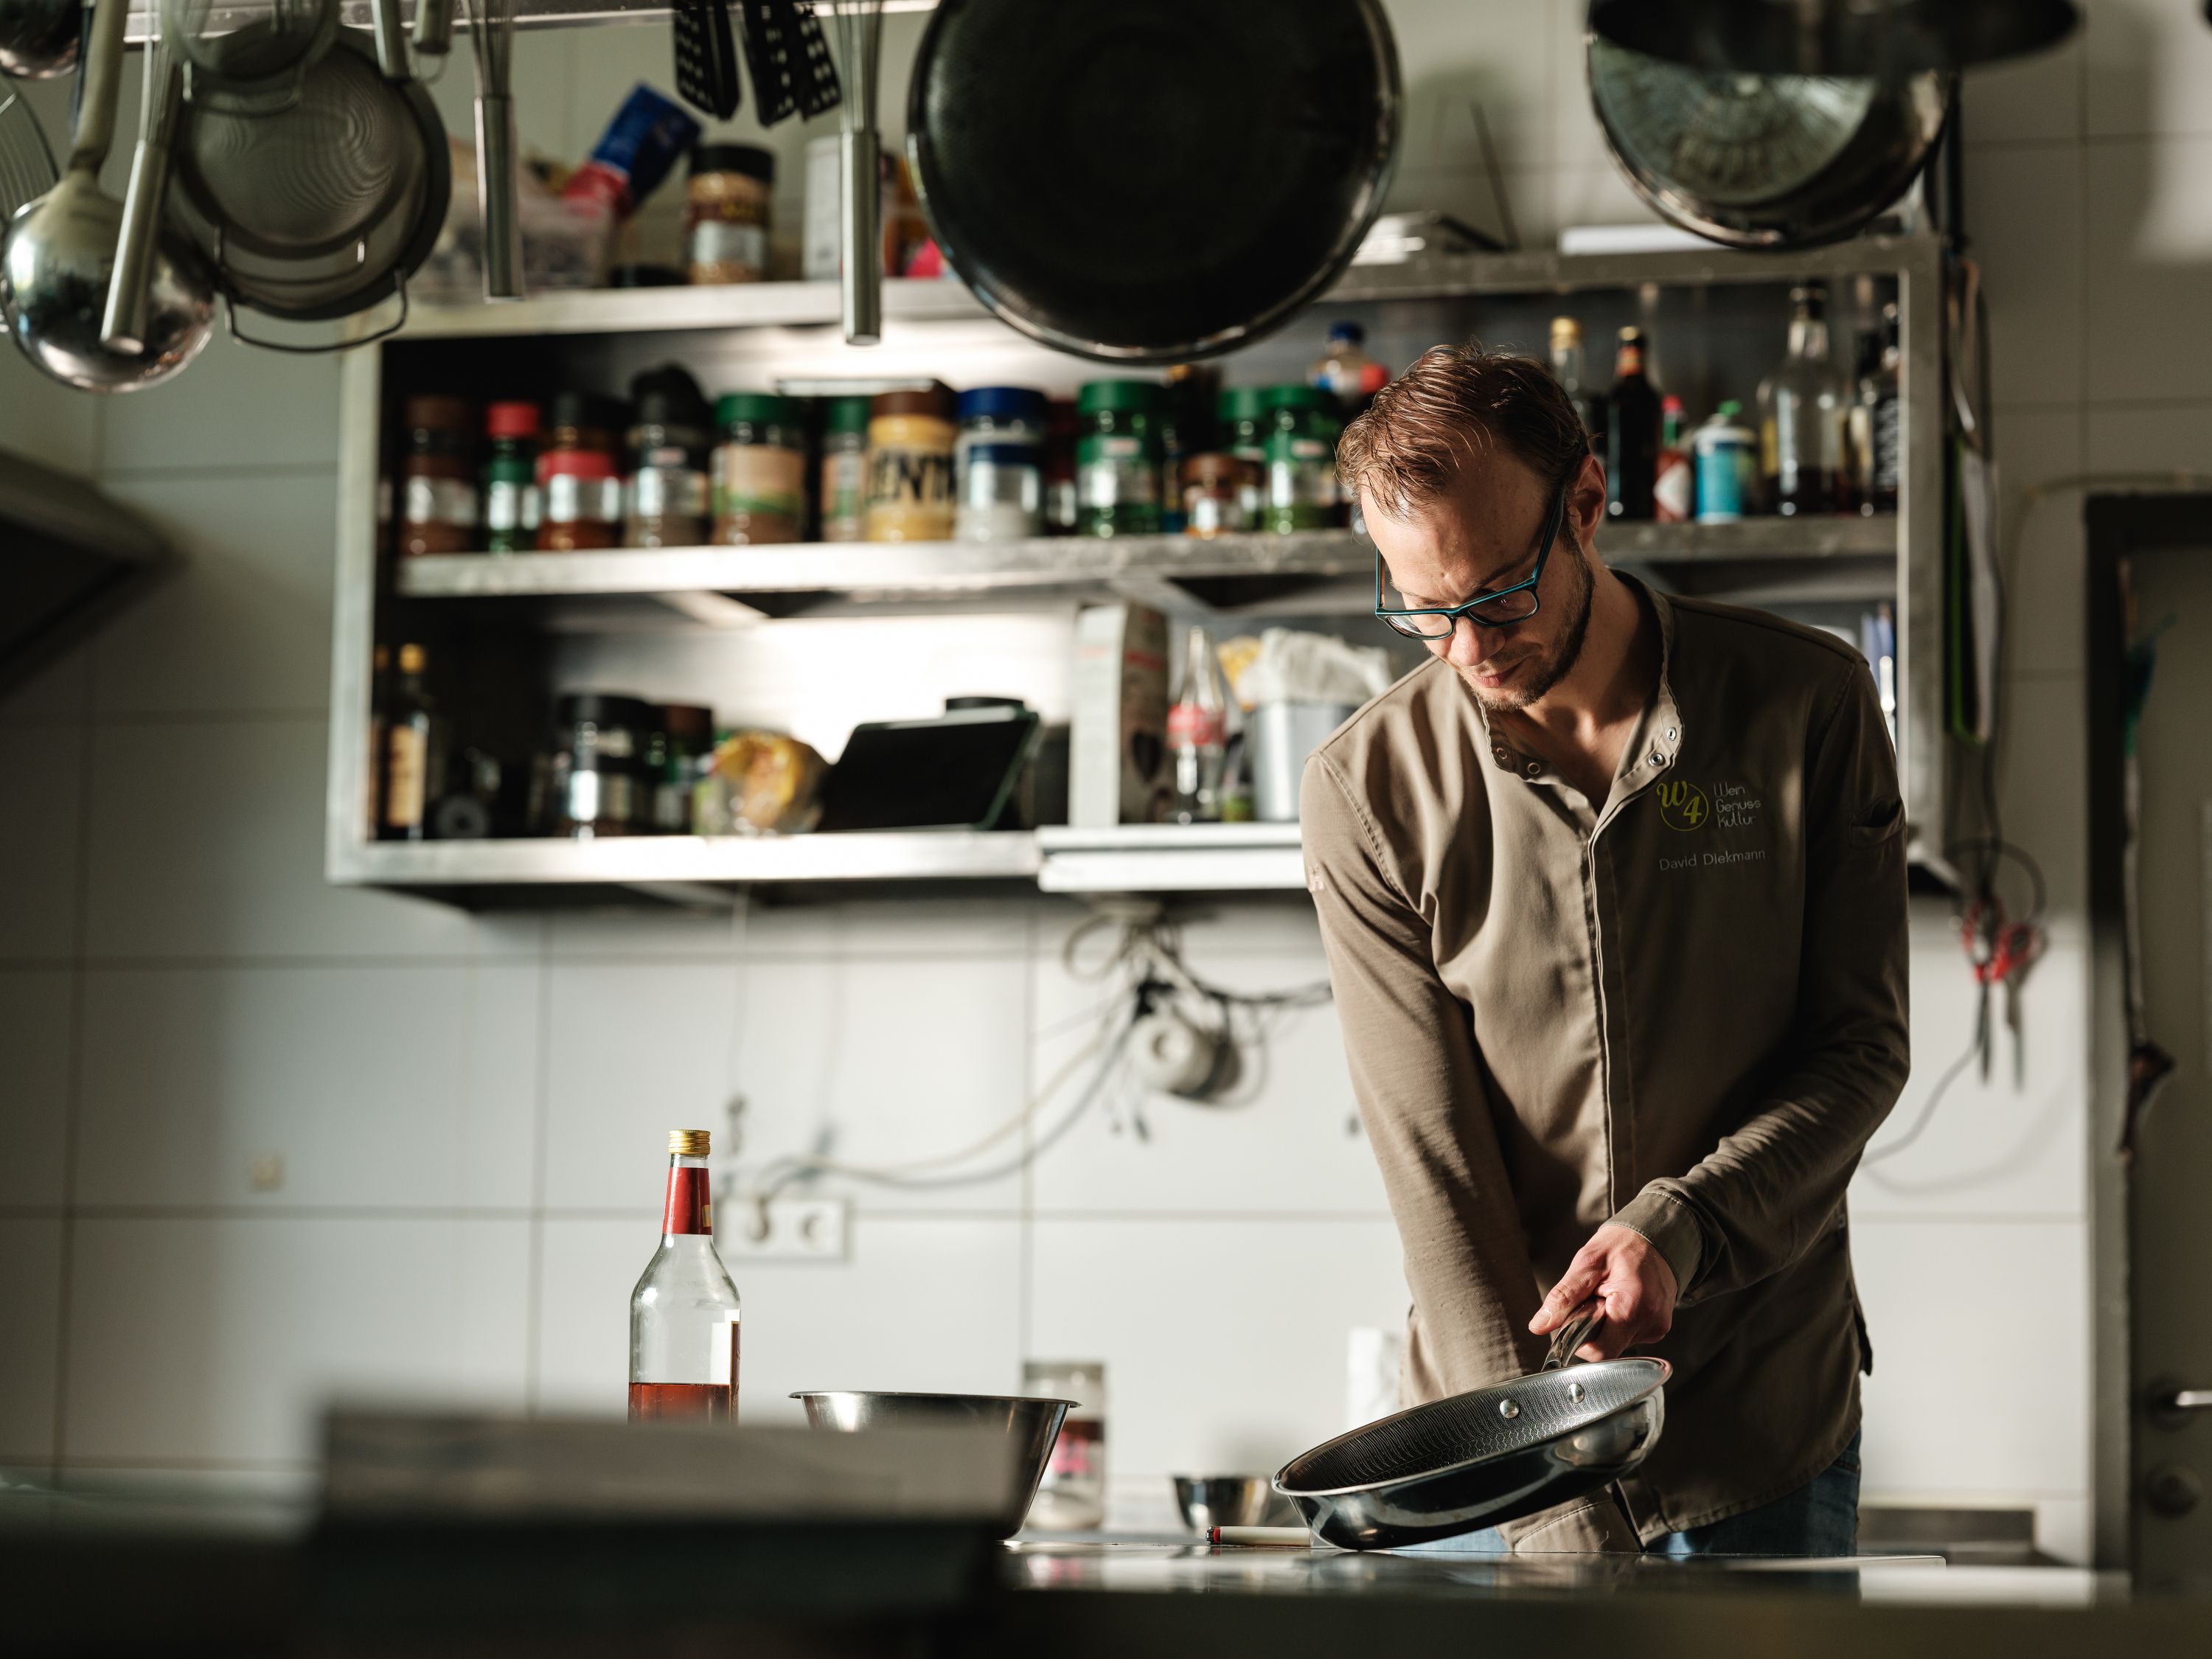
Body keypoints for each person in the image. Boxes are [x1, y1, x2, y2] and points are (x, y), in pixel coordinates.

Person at [1301, 345, 1908, 1555]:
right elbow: (1439, 1168)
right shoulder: (1368, 787)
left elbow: (1860, 1051)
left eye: (1498, 596)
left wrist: (1678, 1224)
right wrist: (1539, 1478)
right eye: (1419, 606)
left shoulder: (1808, 703)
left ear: (1585, 503)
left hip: (1761, 1429)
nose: (1466, 650)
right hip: (1498, 1446)